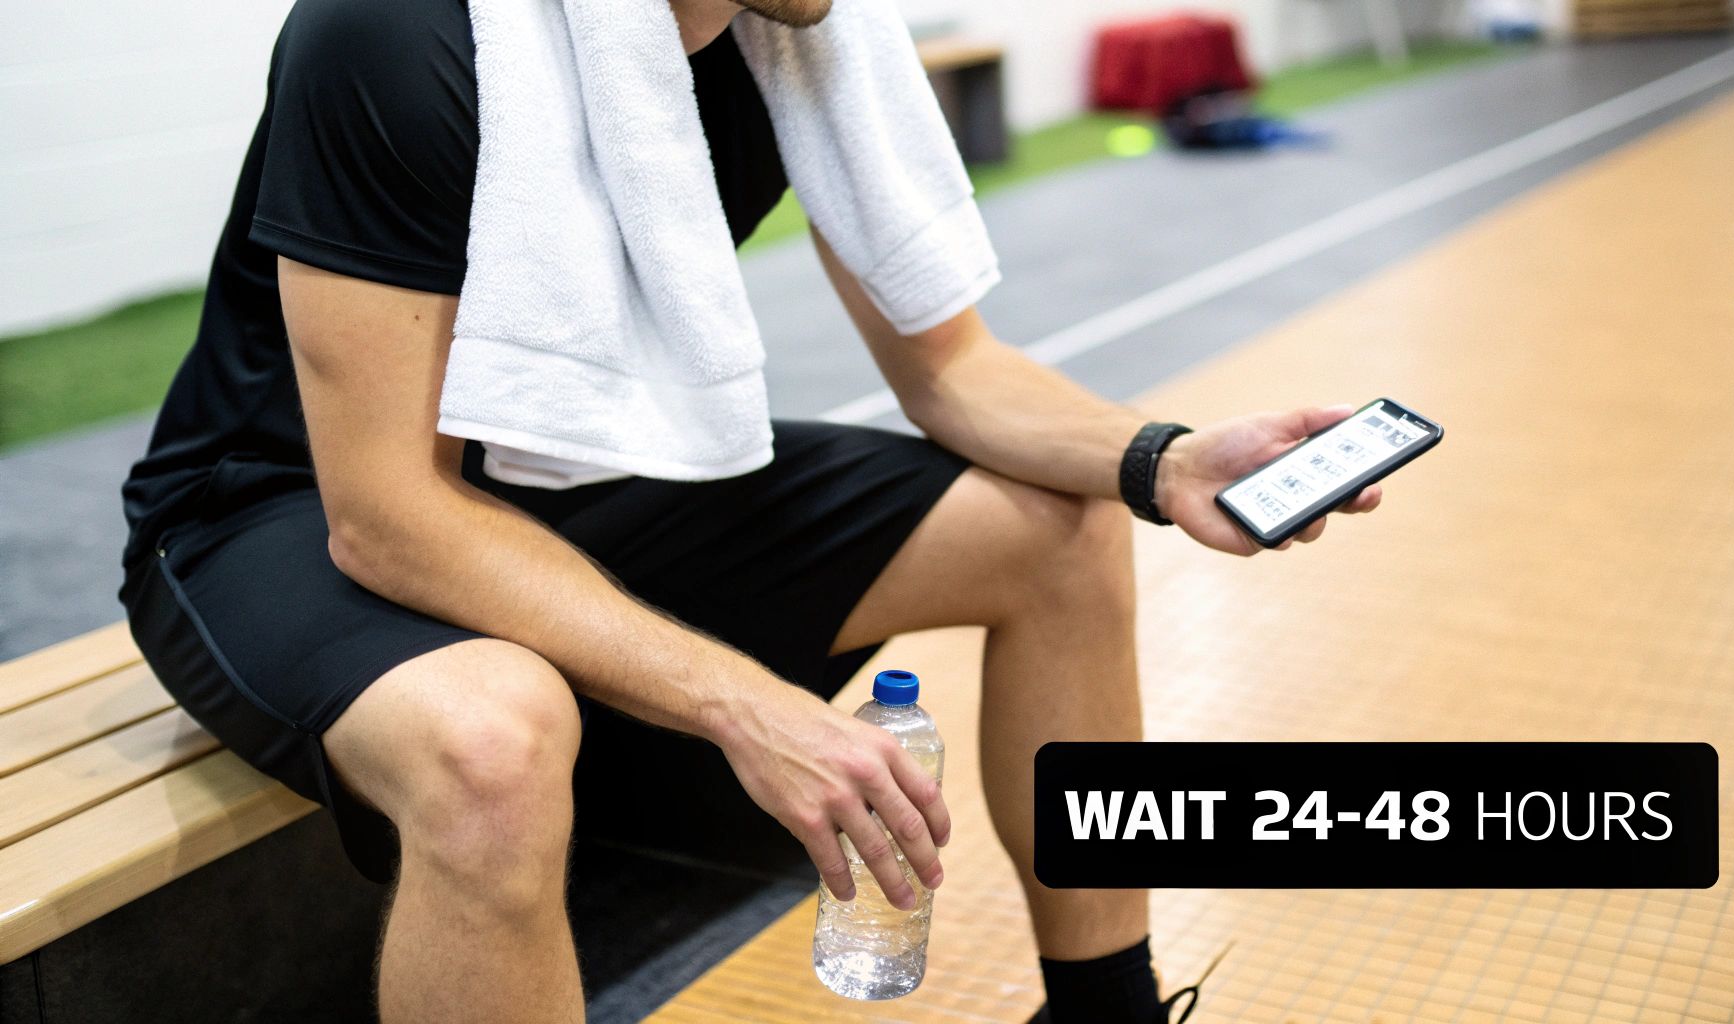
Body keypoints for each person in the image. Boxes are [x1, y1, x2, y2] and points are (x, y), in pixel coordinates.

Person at [118, 0, 1382, 1021]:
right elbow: (388, 513)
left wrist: (1159, 460)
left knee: (1057, 526)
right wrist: (745, 703)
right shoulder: (403, 33)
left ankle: (1101, 1011)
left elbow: (950, 369)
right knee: (491, 744)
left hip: (572, 470)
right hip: (274, 509)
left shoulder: (799, 37)